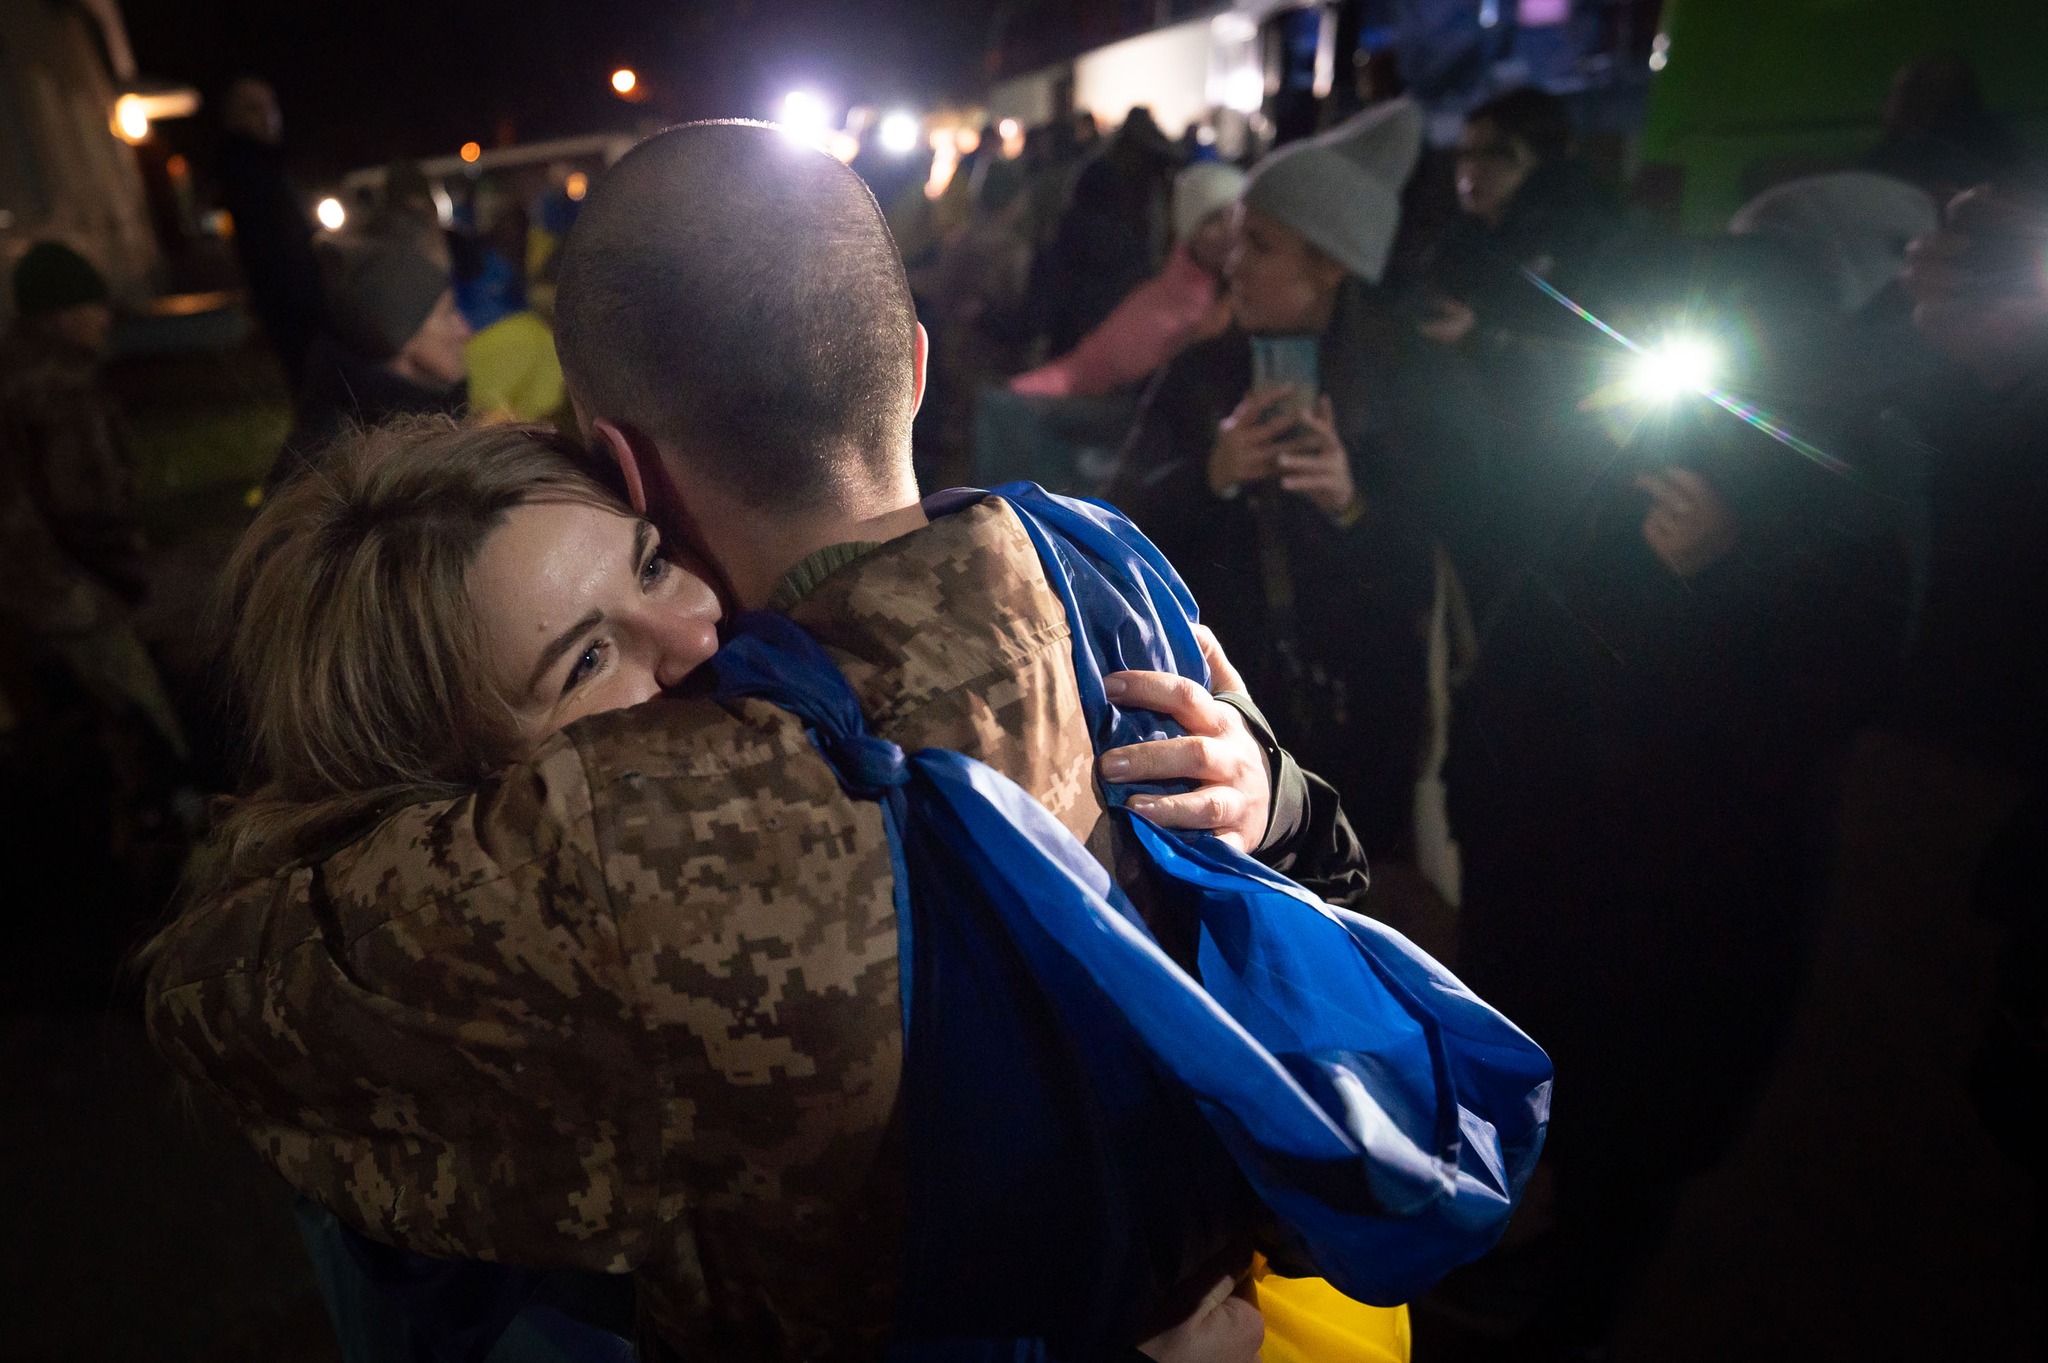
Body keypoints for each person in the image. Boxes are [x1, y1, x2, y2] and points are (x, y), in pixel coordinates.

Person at [147, 123, 1543, 1360]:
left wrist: (1279, 808)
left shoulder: (638, 873)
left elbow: (223, 991)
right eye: (582, 657)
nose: (686, 633)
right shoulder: (1093, 557)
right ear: (919, 364)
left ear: (630, 466)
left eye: (646, 562)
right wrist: (1281, 802)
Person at [1111, 102, 1437, 865]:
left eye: (1260, 244)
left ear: (1331, 265)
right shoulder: (1197, 374)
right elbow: (1117, 526)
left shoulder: (1410, 391)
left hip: (1361, 729)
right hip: (1224, 723)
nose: (1233, 262)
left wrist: (1351, 503)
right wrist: (1211, 476)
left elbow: (1444, 575)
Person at [0, 242, 189, 1003]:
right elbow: (89, 505)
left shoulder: (9, 369)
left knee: (64, 743)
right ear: (58, 314)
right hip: (68, 597)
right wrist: (127, 574)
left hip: (19, 602)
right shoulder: (62, 385)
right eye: (90, 305)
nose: (104, 318)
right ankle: (158, 932)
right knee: (143, 744)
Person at [972, 162, 1244, 496]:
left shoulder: (1247, 302)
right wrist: (1025, 387)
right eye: (1212, 221)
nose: (1228, 233)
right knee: (1004, 409)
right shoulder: (1166, 294)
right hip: (1135, 413)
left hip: (1167, 433)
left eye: (1237, 220)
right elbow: (1094, 360)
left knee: (1007, 415)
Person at [272, 242, 469, 485]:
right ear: (401, 334)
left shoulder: (423, 414)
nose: (464, 330)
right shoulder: (337, 462)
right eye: (447, 313)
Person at [216, 77, 330, 389]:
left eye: (270, 106)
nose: (267, 116)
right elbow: (270, 245)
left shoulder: (273, 164)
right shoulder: (246, 171)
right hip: (289, 301)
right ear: (234, 119)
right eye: (254, 109)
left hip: (300, 295)